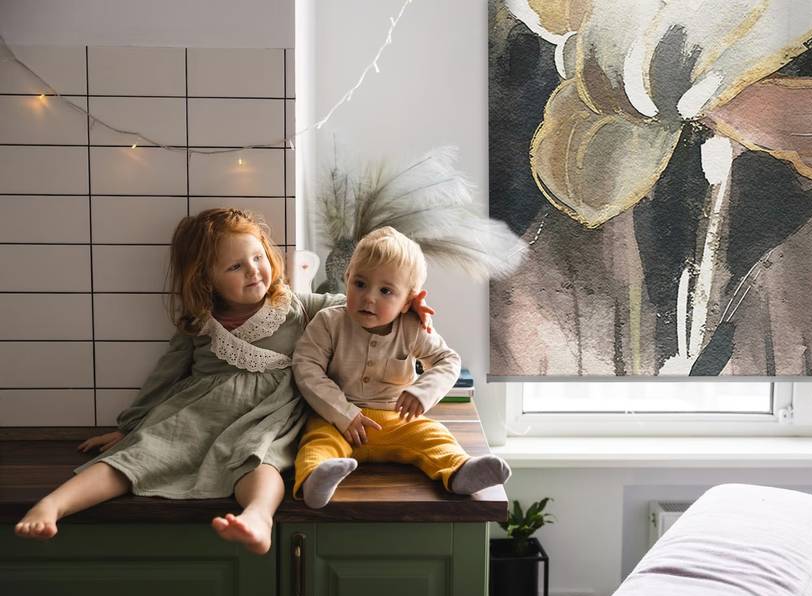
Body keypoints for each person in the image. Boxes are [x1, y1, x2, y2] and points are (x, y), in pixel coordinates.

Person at [13, 209, 432, 554]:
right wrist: (129, 427)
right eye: (235, 266)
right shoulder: (199, 322)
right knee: (142, 453)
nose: (254, 271)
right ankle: (55, 504)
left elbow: (358, 304)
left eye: (258, 257)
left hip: (269, 415)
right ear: (206, 278)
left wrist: (407, 305)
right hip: (201, 411)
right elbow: (164, 376)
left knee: (260, 461)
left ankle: (257, 519)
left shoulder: (297, 305)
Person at [292, 226, 510, 508]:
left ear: (408, 301)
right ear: (347, 278)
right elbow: (306, 366)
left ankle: (460, 471)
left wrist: (422, 392)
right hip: (338, 421)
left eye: (386, 291)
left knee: (433, 436)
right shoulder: (328, 322)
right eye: (360, 284)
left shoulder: (412, 328)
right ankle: (315, 480)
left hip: (396, 419)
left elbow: (447, 360)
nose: (369, 297)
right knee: (317, 442)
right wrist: (342, 412)